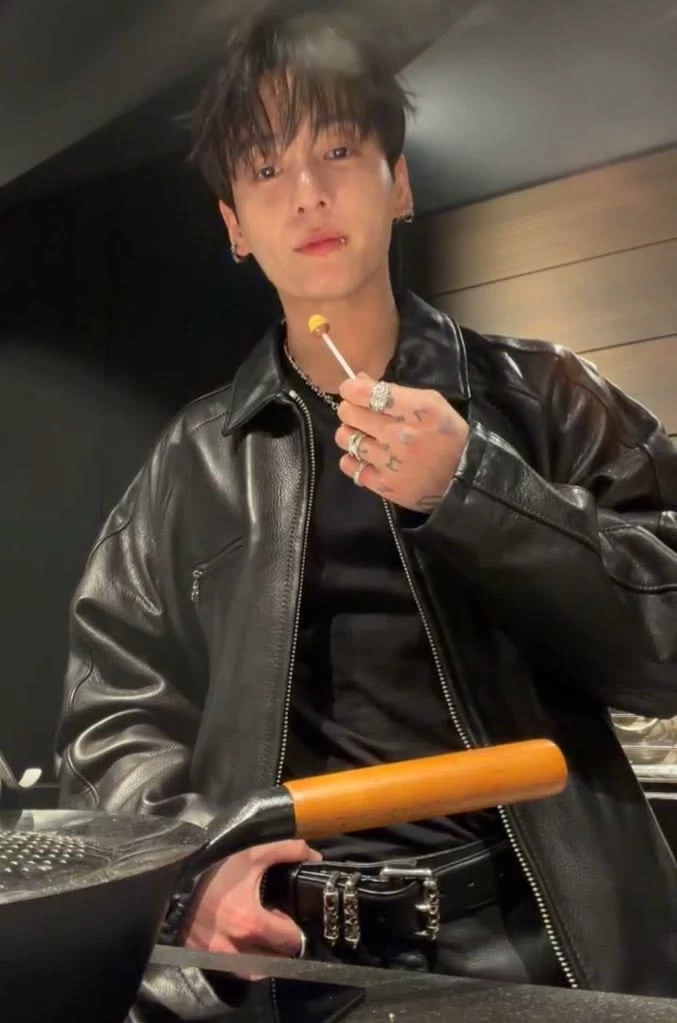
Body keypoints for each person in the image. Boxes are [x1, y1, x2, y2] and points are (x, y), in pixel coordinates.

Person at [55, 13, 677, 1022]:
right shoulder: (192, 460)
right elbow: (112, 715)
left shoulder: (546, 398)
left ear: (398, 183)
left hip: (543, 946)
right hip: (284, 963)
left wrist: (474, 488)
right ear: (234, 226)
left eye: (338, 151)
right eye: (267, 169)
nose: (306, 192)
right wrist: (194, 871)